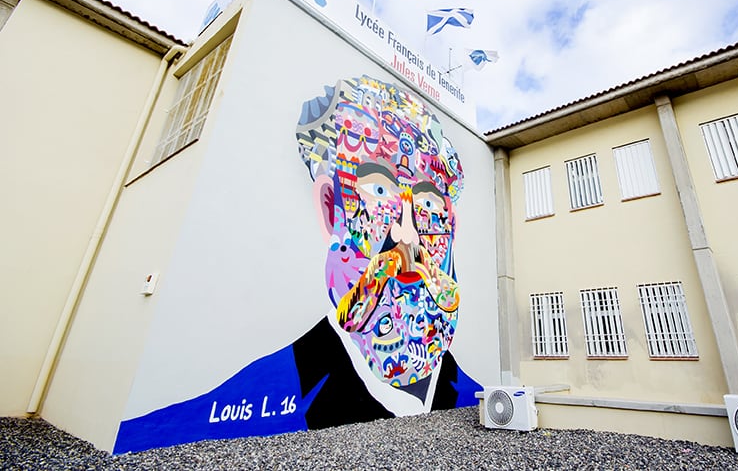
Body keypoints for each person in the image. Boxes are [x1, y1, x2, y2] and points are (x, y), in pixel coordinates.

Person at [113, 75, 479, 454]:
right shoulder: (265, 393)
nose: (407, 237)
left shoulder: (476, 396)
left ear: (451, 229)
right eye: (379, 189)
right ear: (329, 209)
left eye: (430, 204)